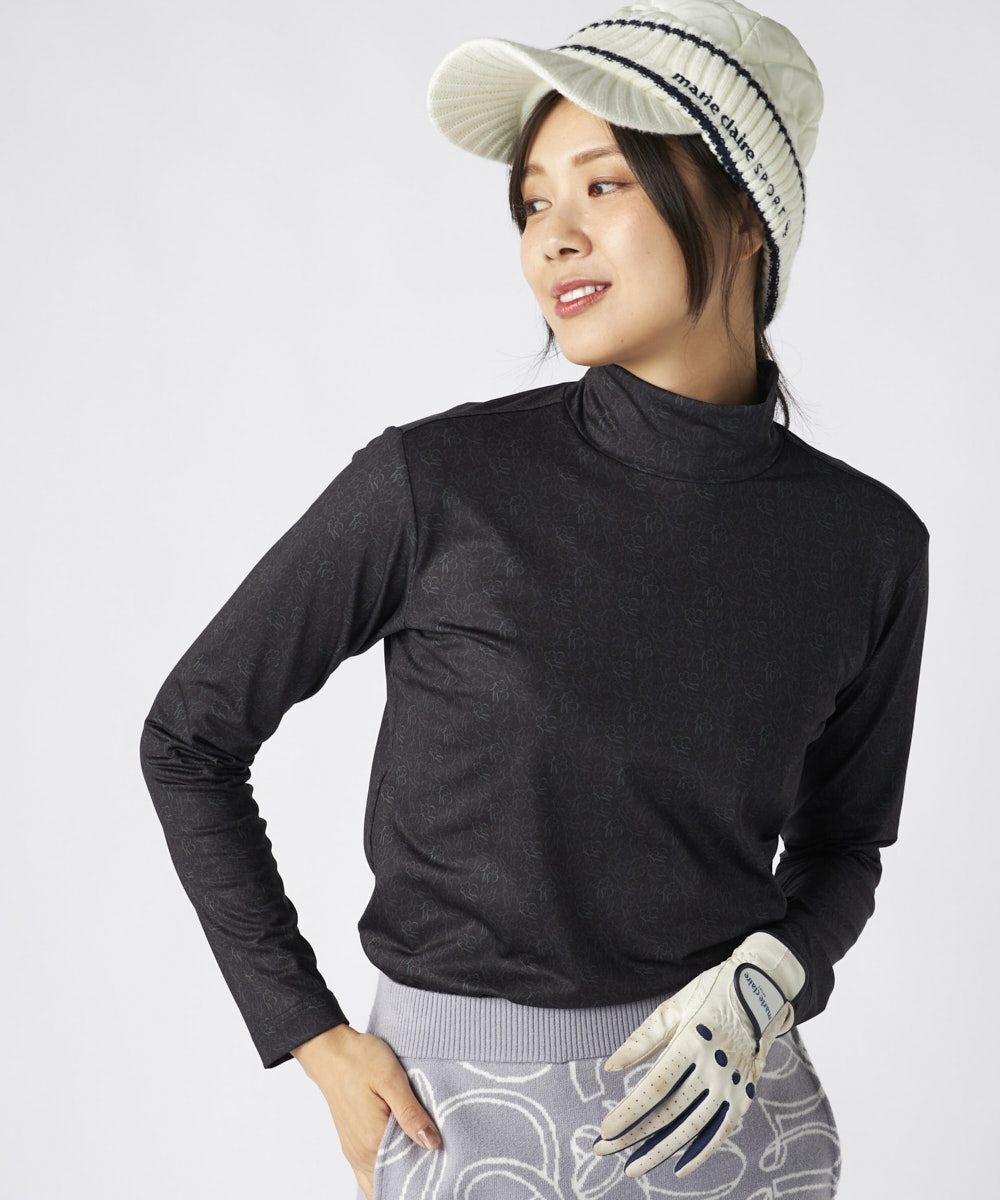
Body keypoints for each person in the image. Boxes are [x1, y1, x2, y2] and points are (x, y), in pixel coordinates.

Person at [138, 3, 930, 1198]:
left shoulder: (866, 543)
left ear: (745, 216)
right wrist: (310, 1033)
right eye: (530, 203)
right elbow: (189, 736)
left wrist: (778, 971)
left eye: (603, 185)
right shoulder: (435, 484)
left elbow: (844, 844)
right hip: (466, 1119)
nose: (552, 238)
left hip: (733, 1121)